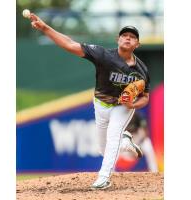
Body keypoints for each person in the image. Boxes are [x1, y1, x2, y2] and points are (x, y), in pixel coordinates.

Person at [29, 13, 150, 190]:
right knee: (103, 149)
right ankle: (126, 141)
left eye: (132, 37)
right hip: (100, 104)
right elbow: (70, 44)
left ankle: (104, 178)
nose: (128, 38)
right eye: (125, 35)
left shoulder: (142, 70)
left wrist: (132, 104)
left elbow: (145, 97)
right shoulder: (103, 55)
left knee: (113, 135)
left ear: (137, 44)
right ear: (118, 39)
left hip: (121, 107)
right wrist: (45, 28)